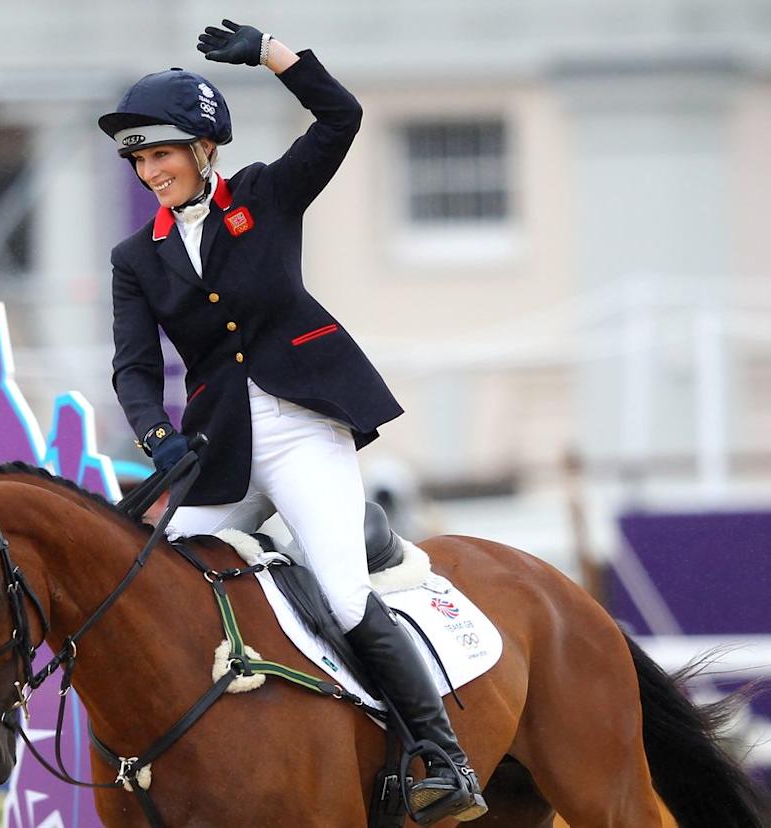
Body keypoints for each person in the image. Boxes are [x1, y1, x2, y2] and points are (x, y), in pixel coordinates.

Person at [99, 19, 487, 822]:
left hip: (305, 425)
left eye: (160, 154)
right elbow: (135, 368)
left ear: (205, 149)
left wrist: (275, 54)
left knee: (344, 598)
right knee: (153, 594)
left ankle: (441, 757)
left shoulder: (270, 196)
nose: (148, 172)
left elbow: (340, 117)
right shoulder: (136, 258)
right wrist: (152, 432)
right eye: (138, 160)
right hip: (219, 447)